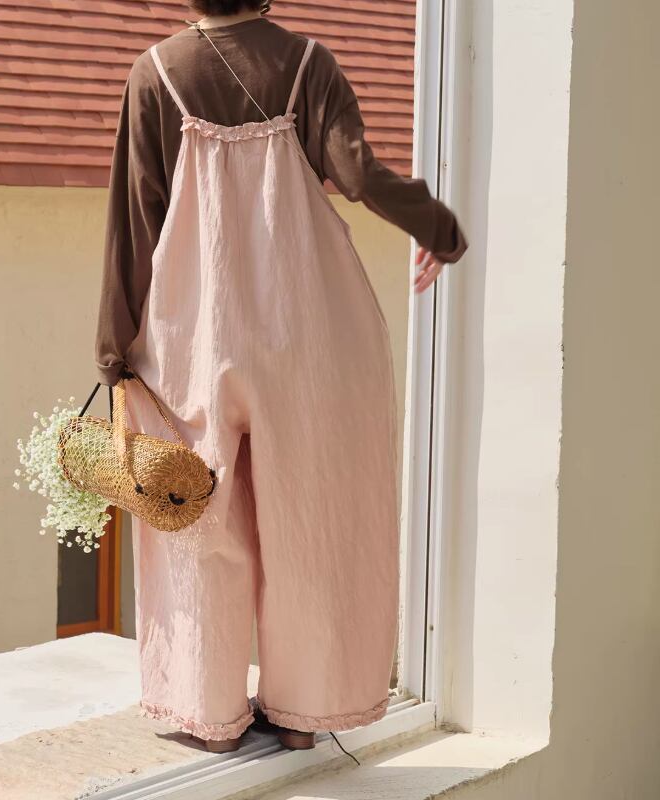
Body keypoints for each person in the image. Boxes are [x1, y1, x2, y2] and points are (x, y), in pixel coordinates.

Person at [95, 0, 467, 753]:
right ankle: (304, 717)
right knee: (307, 516)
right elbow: (357, 172)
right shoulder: (309, 64)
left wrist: (114, 346)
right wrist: (438, 227)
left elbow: (136, 218)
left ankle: (210, 717)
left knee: (199, 519)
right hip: (310, 331)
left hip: (195, 333)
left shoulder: (155, 74)